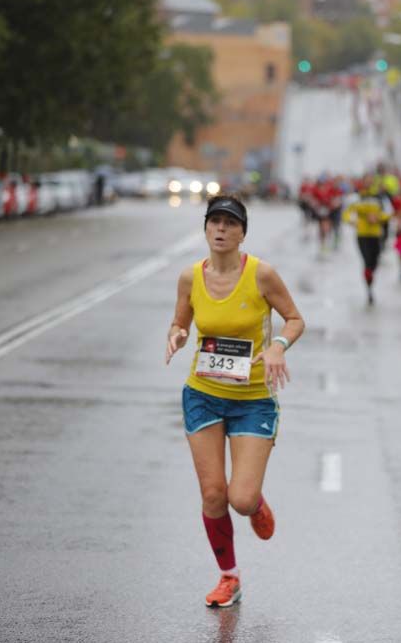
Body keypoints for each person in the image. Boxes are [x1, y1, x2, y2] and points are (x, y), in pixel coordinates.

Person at [165, 196, 305, 608]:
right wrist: (176, 335)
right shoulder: (190, 278)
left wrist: (278, 346)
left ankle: (255, 502)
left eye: (230, 223)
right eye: (215, 222)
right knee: (213, 494)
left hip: (253, 399)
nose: (221, 229)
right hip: (203, 395)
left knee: (240, 499)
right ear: (205, 228)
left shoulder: (261, 275)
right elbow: (180, 322)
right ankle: (229, 576)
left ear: (243, 233)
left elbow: (295, 319)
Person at [343, 188, 394, 306]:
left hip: (376, 235)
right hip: (362, 235)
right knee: (367, 261)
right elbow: (346, 213)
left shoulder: (380, 199)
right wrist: (352, 221)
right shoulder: (357, 199)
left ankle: (370, 275)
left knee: (375, 261)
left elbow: (389, 213)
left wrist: (378, 217)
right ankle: (369, 289)